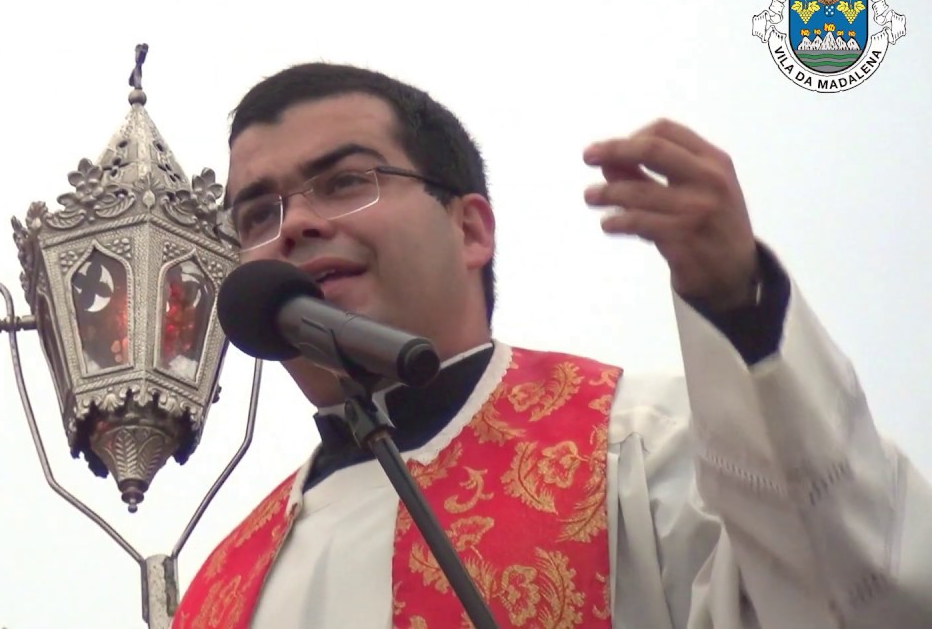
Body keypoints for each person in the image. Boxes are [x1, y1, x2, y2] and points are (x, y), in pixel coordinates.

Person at [172, 63, 932, 628]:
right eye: (256, 214)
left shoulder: (641, 447)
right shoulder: (221, 588)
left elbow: (857, 597)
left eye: (343, 181)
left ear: (471, 229)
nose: (295, 225)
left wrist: (741, 308)